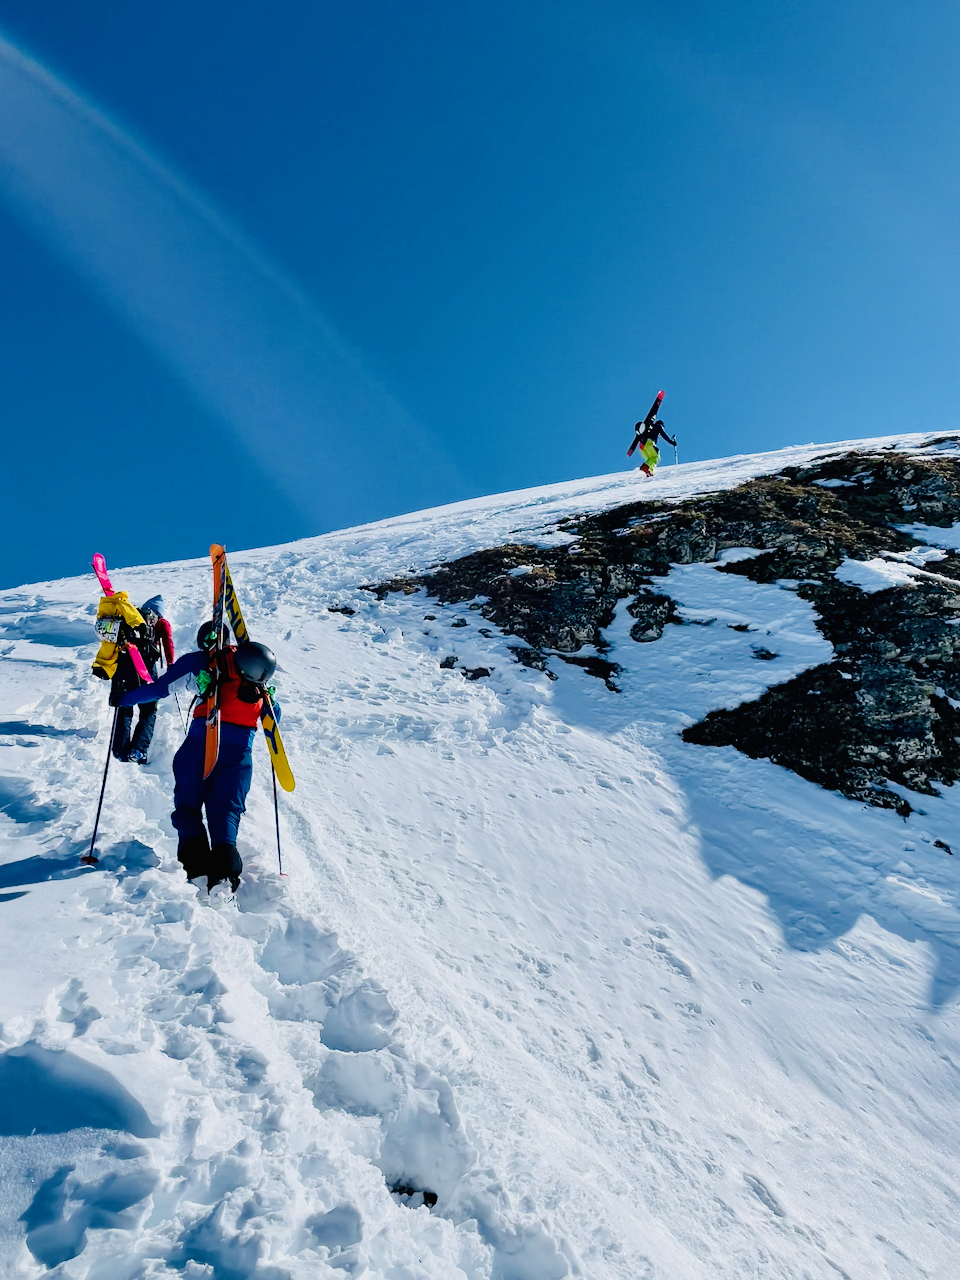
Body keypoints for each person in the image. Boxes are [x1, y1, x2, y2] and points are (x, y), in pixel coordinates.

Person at [120, 621, 278, 892]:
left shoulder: (200, 660)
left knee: (188, 808)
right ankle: (225, 876)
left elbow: (160, 689)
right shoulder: (253, 674)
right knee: (226, 811)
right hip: (240, 753)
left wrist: (123, 699)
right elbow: (273, 719)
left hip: (202, 740)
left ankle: (197, 872)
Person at [109, 595, 175, 764]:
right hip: (145, 668)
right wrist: (170, 663)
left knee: (124, 705)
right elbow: (167, 640)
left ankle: (120, 749)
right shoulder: (161, 622)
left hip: (125, 664)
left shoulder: (131, 619)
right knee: (148, 710)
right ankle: (138, 750)